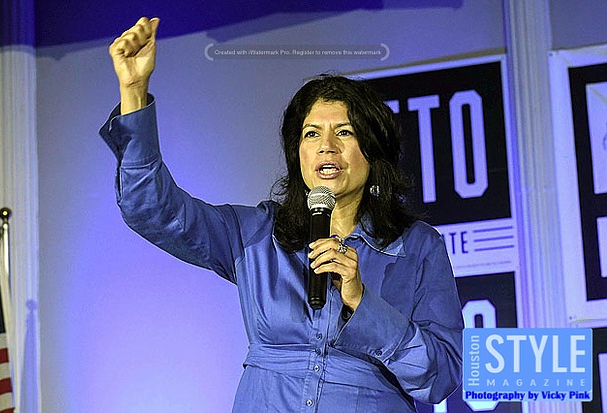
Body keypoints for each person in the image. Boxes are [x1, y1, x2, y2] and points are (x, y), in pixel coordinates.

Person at [100, 17, 463, 413]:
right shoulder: (255, 234)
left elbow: (442, 376)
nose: (326, 146)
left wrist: (362, 302)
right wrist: (133, 91)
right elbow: (152, 209)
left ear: (373, 150)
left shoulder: (419, 247)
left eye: (344, 132)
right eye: (311, 134)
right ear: (298, 155)